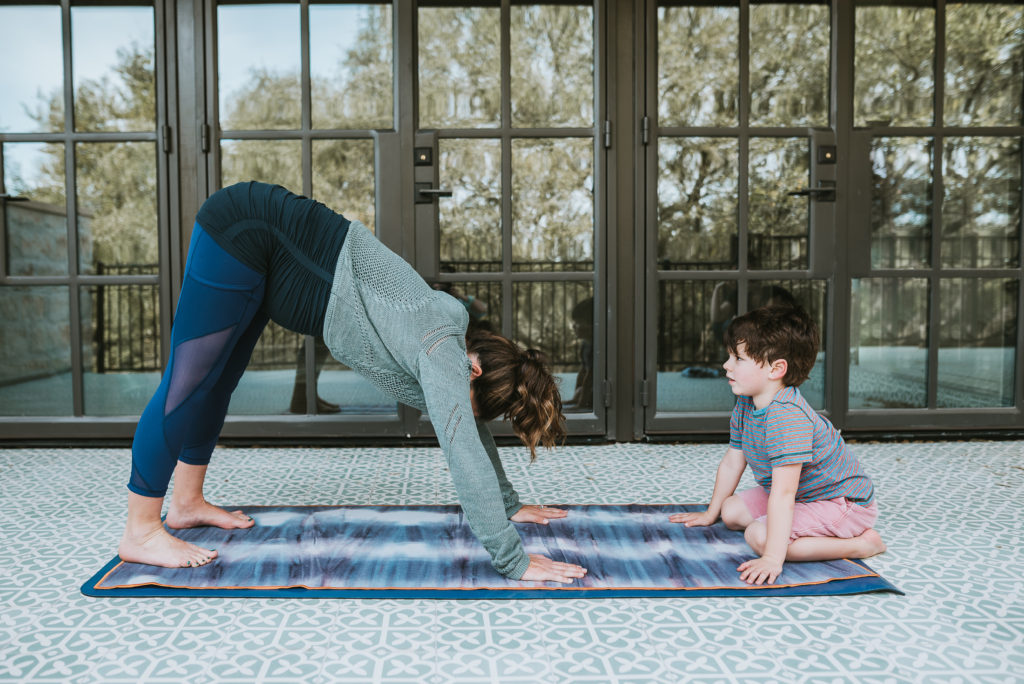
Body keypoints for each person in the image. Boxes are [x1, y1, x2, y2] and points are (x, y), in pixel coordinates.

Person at [118, 181, 586, 584]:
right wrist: (513, 559)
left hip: (271, 251)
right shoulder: (443, 352)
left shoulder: (453, 345)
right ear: (474, 371)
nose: (452, 407)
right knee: (187, 383)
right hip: (247, 227)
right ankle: (141, 530)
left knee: (216, 383)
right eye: (467, 401)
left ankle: (186, 503)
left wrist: (507, 502)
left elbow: (470, 429)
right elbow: (463, 448)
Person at [670, 304, 885, 585]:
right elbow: (733, 461)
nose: (726, 365)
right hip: (803, 495)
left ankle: (862, 545)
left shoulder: (787, 418)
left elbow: (784, 494)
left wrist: (772, 557)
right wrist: (710, 514)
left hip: (843, 504)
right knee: (730, 512)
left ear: (776, 369)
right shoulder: (747, 403)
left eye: (738, 358)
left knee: (758, 537)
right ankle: (787, 530)